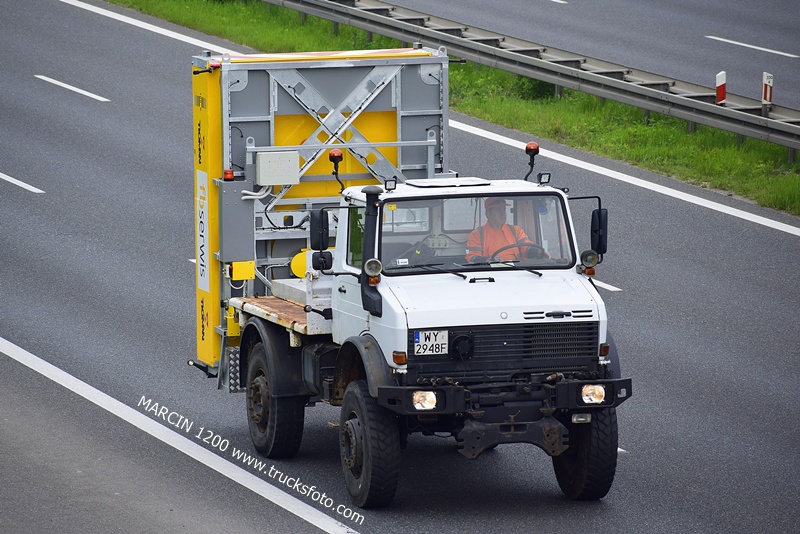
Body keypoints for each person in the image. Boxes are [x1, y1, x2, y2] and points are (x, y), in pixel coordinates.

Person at [466, 197, 549, 263]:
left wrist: (539, 251)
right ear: (488, 213)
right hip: (490, 273)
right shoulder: (477, 234)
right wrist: (489, 260)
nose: (503, 213)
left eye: (504, 209)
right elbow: (472, 257)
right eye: (498, 210)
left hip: (517, 271)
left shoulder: (516, 230)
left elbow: (526, 247)